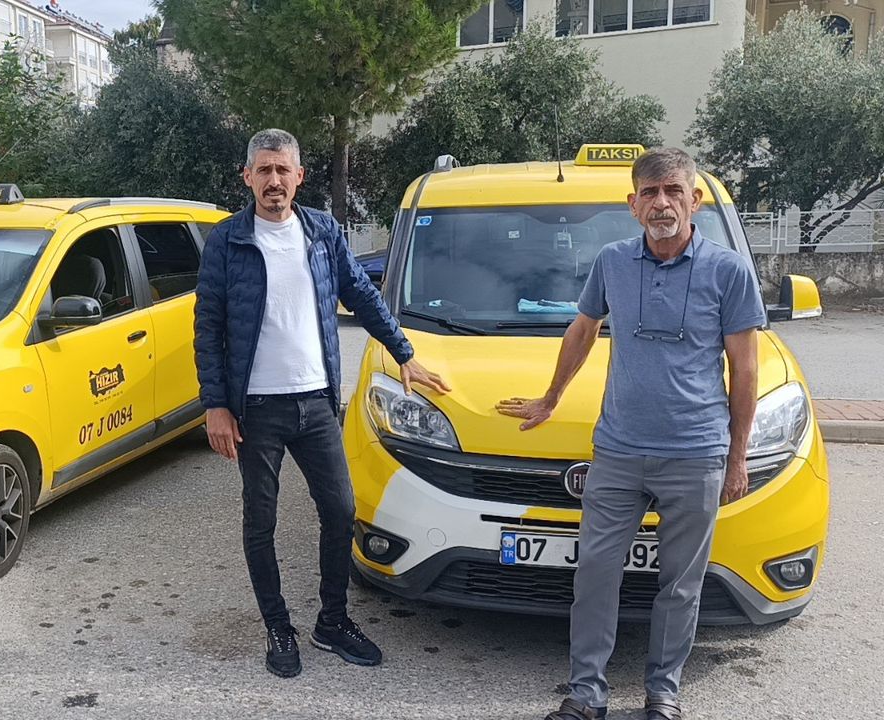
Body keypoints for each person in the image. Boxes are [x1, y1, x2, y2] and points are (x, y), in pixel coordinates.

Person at [497, 147, 766, 720]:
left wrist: (737, 456)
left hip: (696, 452)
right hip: (618, 449)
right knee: (595, 573)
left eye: (673, 191)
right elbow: (583, 329)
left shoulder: (728, 271)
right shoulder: (612, 261)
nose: (662, 203)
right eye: (650, 193)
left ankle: (663, 692)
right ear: (632, 203)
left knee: (681, 583)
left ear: (695, 200)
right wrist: (551, 397)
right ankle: (586, 692)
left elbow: (745, 370)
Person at [194, 128, 449, 678]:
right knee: (260, 521)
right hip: (255, 409)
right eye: (264, 170)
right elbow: (208, 325)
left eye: (283, 170)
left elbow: (361, 293)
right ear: (247, 177)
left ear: (299, 176)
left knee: (340, 511)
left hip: (315, 402)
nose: (274, 180)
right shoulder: (227, 240)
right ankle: (278, 625)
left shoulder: (322, 232)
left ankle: (332, 621)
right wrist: (215, 404)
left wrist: (403, 353)